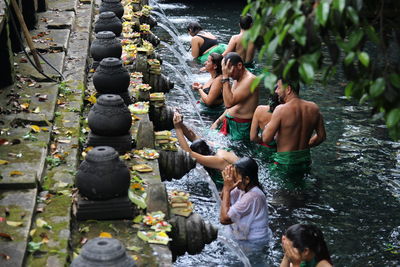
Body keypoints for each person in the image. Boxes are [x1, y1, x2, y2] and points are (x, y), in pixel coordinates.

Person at [262, 79, 326, 190]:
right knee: (301, 191)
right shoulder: (314, 108)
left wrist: (267, 127)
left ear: (288, 89)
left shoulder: (281, 109)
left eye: (278, 87)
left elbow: (266, 139)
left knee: (281, 195)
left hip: (285, 162)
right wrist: (305, 145)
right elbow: (321, 137)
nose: (276, 91)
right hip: (305, 160)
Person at [220, 157, 271, 258]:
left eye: (236, 175)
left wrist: (226, 189)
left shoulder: (252, 196)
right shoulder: (242, 188)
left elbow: (224, 219)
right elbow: (224, 198)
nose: (234, 179)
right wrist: (227, 184)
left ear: (247, 179)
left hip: (254, 244)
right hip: (247, 238)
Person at [173, 111, 239, 188]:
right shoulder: (213, 147)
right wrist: (180, 123)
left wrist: (177, 128)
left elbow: (189, 153)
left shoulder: (218, 160)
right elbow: (193, 136)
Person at [211, 52, 259, 141]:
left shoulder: (251, 80)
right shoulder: (237, 77)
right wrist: (217, 122)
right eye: (226, 71)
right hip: (230, 122)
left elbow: (229, 103)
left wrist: (225, 77)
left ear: (239, 65)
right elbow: (230, 106)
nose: (228, 74)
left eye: (229, 71)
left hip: (242, 129)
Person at [250, 92, 280, 161]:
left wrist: (263, 140)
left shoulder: (259, 109)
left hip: (263, 150)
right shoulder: (287, 114)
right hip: (280, 153)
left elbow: (253, 137)